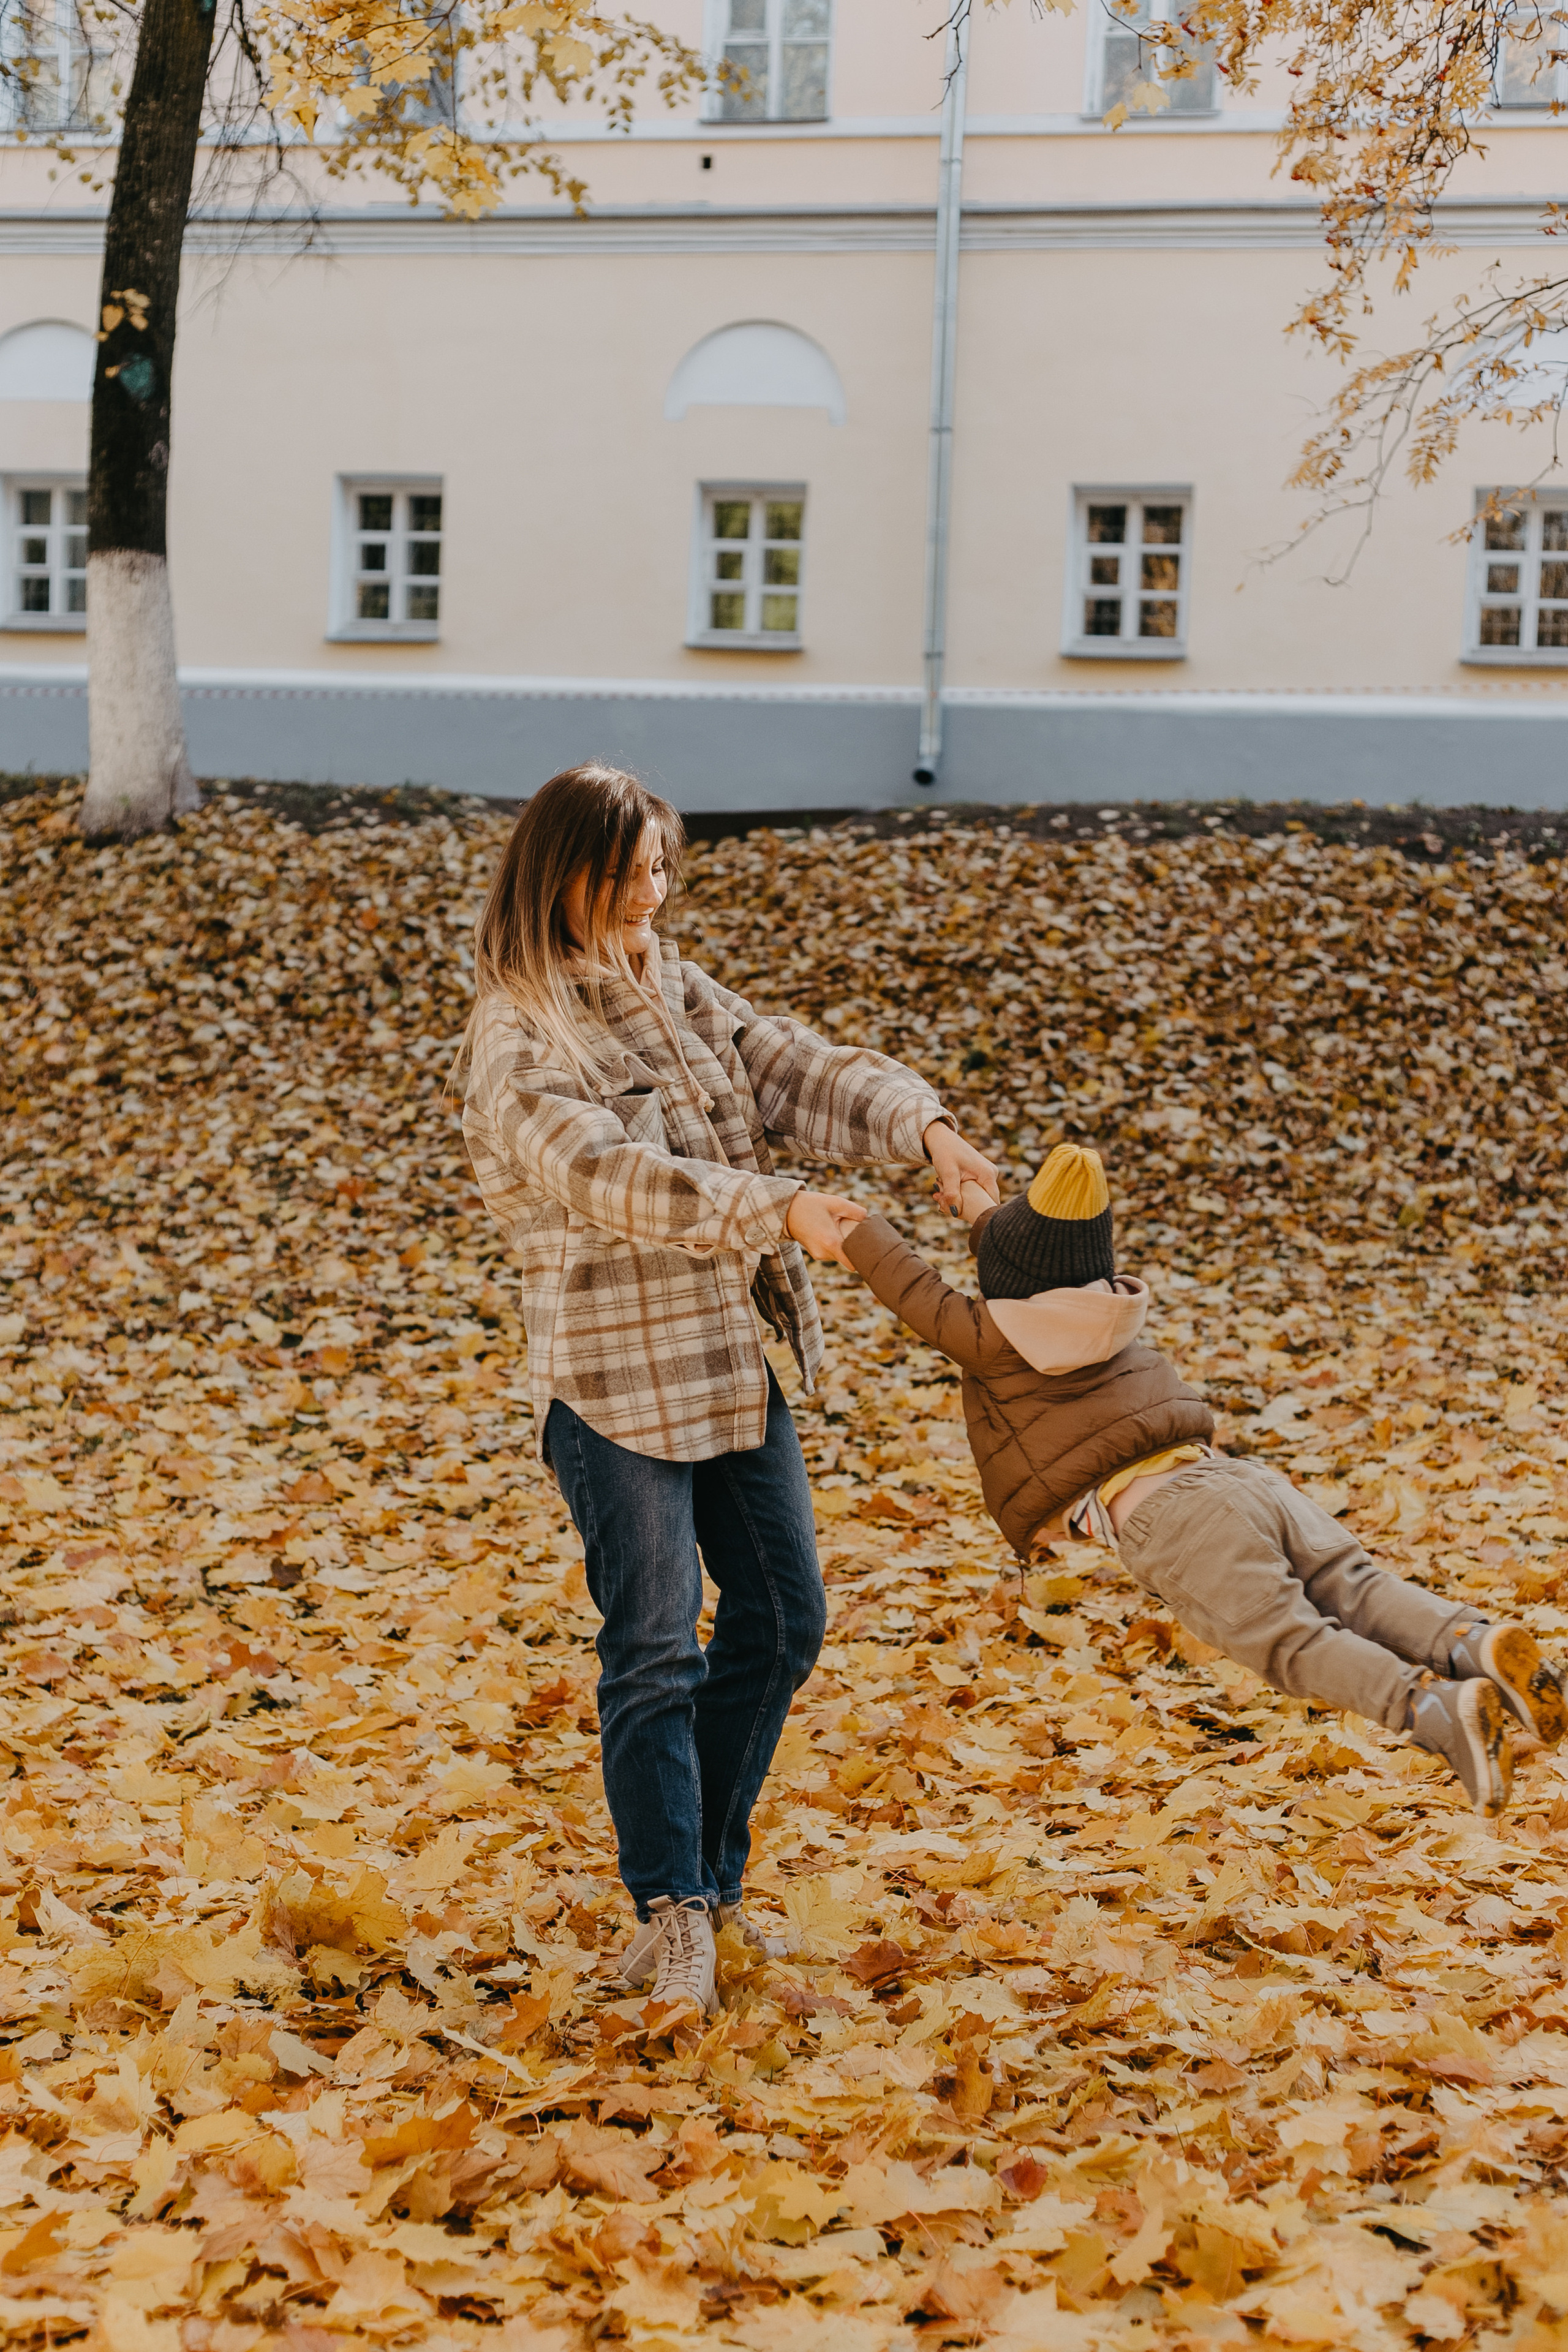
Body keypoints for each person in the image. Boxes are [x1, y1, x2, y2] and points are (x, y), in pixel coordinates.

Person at [459, 764, 998, 2016]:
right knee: (654, 1650)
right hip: (611, 1383)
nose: (652, 891)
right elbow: (614, 1177)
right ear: (561, 875)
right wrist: (782, 1209)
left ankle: (700, 1886)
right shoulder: (518, 1035)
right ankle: (675, 1909)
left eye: (661, 866)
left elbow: (798, 1070)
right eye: (626, 871)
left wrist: (926, 1130)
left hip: (724, 1361)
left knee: (784, 1617)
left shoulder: (677, 988)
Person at [843, 1141, 1567, 1818]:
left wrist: (851, 1227)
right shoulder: (1107, 1309)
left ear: (1007, 1280)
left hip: (1173, 1521)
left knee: (1290, 1643)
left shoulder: (990, 1338)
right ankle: (1472, 1642)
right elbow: (1030, 1255)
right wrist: (972, 1200)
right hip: (1237, 1481)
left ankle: (1431, 1710)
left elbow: (913, 1288)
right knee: (1354, 1586)